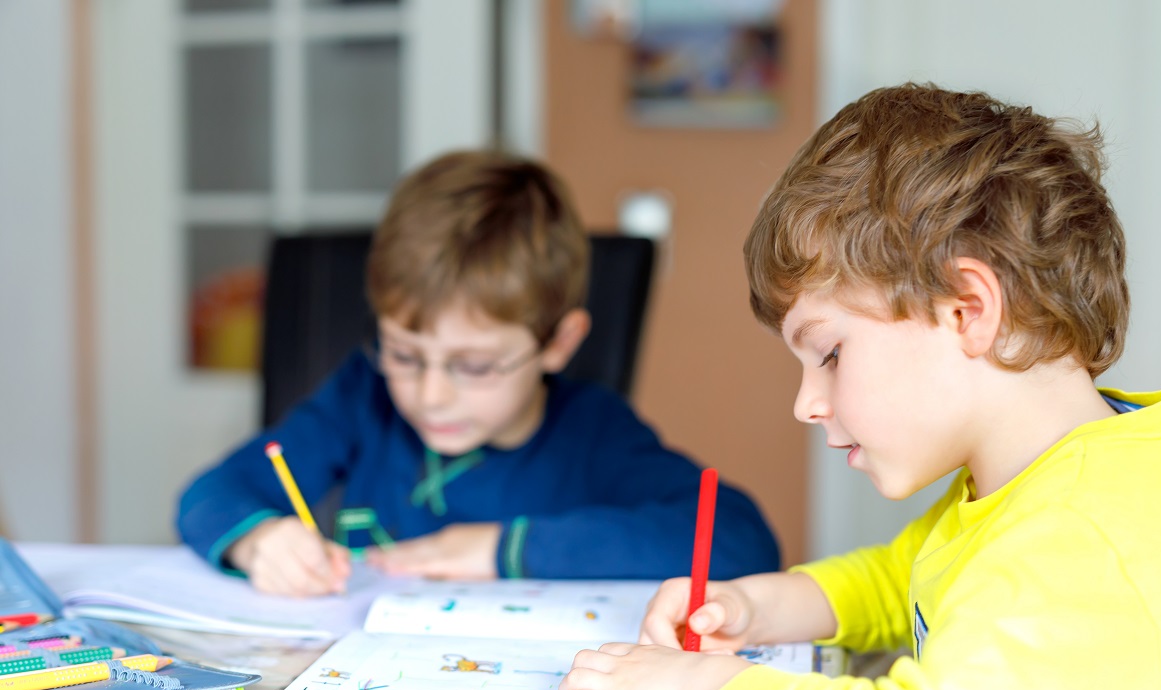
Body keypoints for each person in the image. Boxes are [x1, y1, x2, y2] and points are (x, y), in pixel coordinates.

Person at [558, 84, 1161, 690]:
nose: (807, 403)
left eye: (829, 353)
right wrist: (756, 608)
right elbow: (906, 580)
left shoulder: (1082, 548)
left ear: (967, 310)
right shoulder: (1059, 475)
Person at [177, 150, 780, 597]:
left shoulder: (592, 434)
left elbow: (739, 540)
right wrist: (257, 541)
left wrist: (503, 548)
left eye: (474, 365)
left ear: (558, 342)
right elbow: (210, 494)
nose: (431, 395)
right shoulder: (363, 397)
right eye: (405, 354)